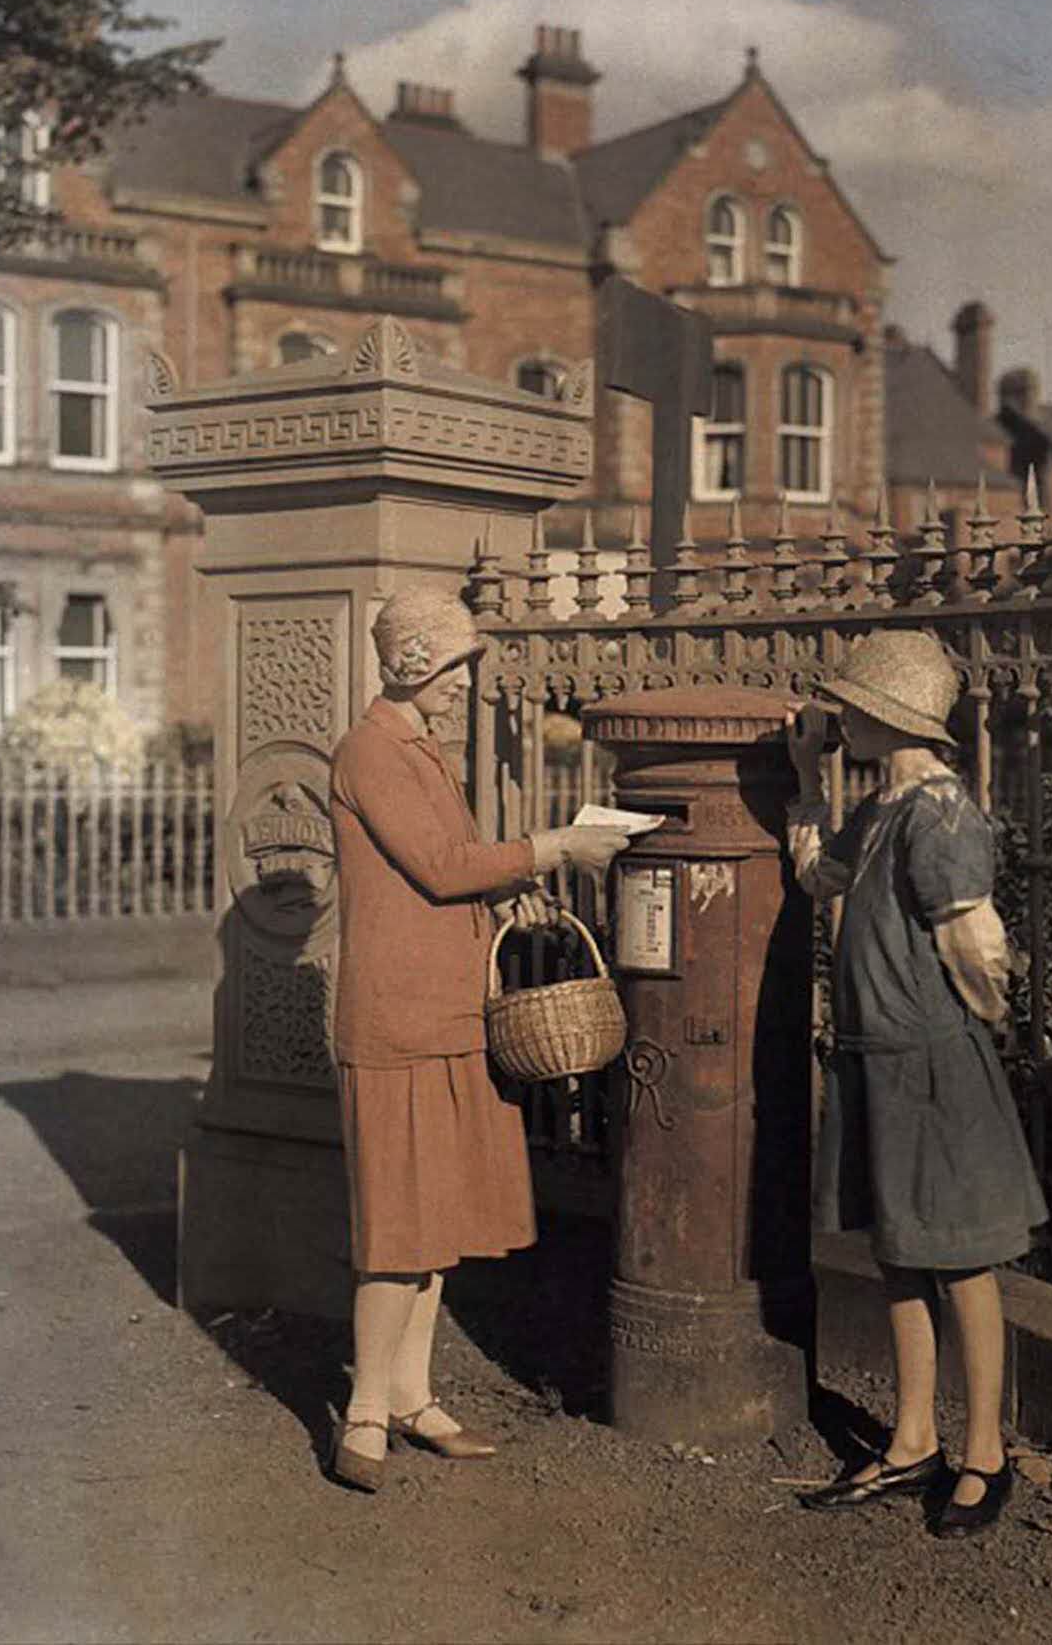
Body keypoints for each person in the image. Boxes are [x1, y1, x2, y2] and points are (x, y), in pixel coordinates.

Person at [327, 584, 631, 1493]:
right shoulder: (371, 751)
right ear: (416, 663)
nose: (464, 684)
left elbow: (449, 873)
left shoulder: (419, 751)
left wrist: (507, 892)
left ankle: (414, 1397)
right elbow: (436, 866)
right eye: (456, 666)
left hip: (448, 1009)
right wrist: (551, 850)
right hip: (397, 1018)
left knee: (434, 1220)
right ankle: (366, 1410)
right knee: (396, 1229)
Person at [784, 629, 1047, 1538]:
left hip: (930, 1062)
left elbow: (974, 943)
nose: (837, 718)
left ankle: (984, 1453)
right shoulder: (888, 805)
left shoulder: (939, 811)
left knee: (962, 1259)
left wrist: (980, 1024)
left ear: (882, 716)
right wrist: (808, 784)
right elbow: (821, 878)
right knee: (901, 1252)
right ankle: (911, 1441)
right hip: (879, 1057)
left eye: (847, 707)